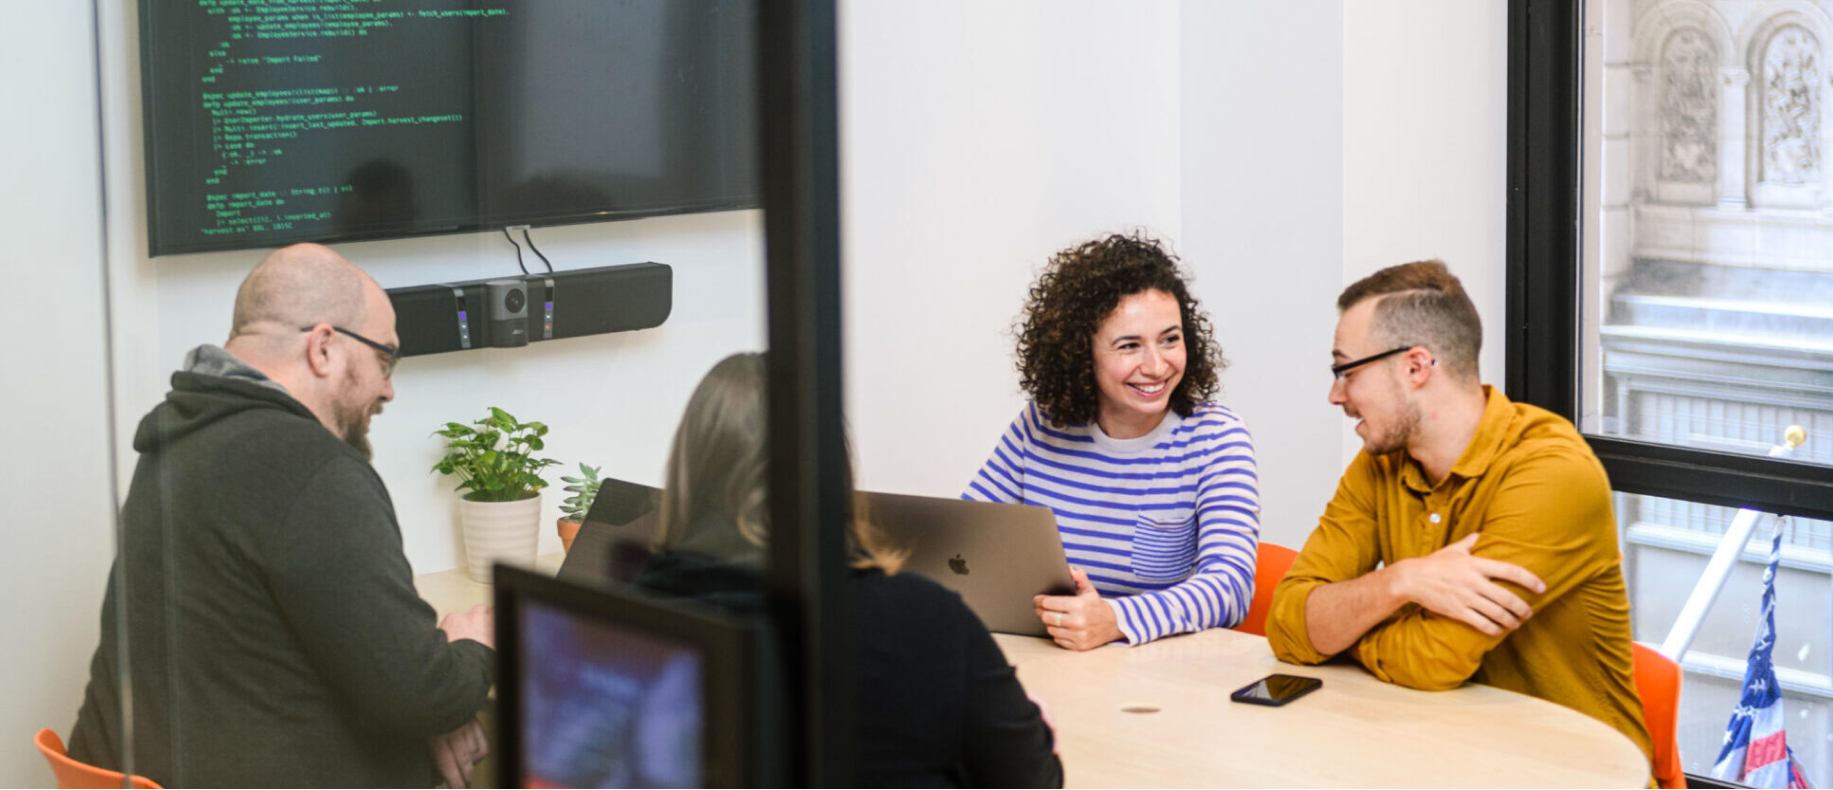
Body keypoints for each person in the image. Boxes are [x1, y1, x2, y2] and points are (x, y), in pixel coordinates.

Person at [67, 244, 496, 788]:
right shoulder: (308, 469)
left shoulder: (178, 439)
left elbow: (287, 661)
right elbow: (423, 694)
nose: (388, 388)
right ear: (323, 348)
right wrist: (475, 644)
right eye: (384, 359)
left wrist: (421, 713)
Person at [1264, 260, 1652, 761]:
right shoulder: (1380, 462)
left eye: (1347, 371)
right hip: (1443, 753)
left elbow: (1434, 660)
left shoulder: (1552, 474)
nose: (1336, 394)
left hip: (1573, 770)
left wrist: (1342, 630)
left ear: (1416, 367)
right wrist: (1399, 581)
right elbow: (1289, 623)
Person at [635, 353, 1064, 789]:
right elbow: (1034, 779)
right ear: (832, 468)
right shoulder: (923, 620)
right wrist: (1037, 731)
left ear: (689, 472)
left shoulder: (638, 613)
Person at [965, 233, 1259, 650]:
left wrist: (1115, 619)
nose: (1157, 366)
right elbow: (966, 543)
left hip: (1163, 686)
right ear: (1081, 355)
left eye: (1170, 339)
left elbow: (1229, 587)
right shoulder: (1042, 423)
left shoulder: (1216, 437)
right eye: (1129, 346)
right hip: (1051, 667)